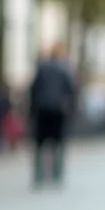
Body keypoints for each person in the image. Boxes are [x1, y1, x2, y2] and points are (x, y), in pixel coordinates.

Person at [28, 43, 77, 188]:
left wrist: (32, 109)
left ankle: (38, 175)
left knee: (39, 143)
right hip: (58, 110)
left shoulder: (42, 67)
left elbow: (34, 88)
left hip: (42, 109)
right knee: (59, 142)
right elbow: (71, 90)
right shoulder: (64, 69)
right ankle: (57, 174)